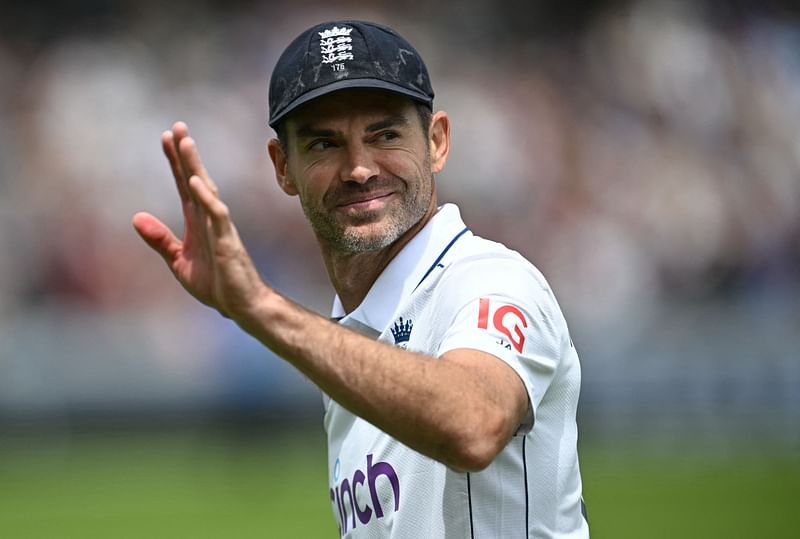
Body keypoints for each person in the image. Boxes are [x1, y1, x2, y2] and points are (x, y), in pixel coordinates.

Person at [132, 20, 589, 538]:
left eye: (385, 135)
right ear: (283, 167)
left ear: (437, 141)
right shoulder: (351, 339)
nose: (359, 168)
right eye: (324, 144)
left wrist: (258, 306)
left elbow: (473, 424)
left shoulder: (491, 281)